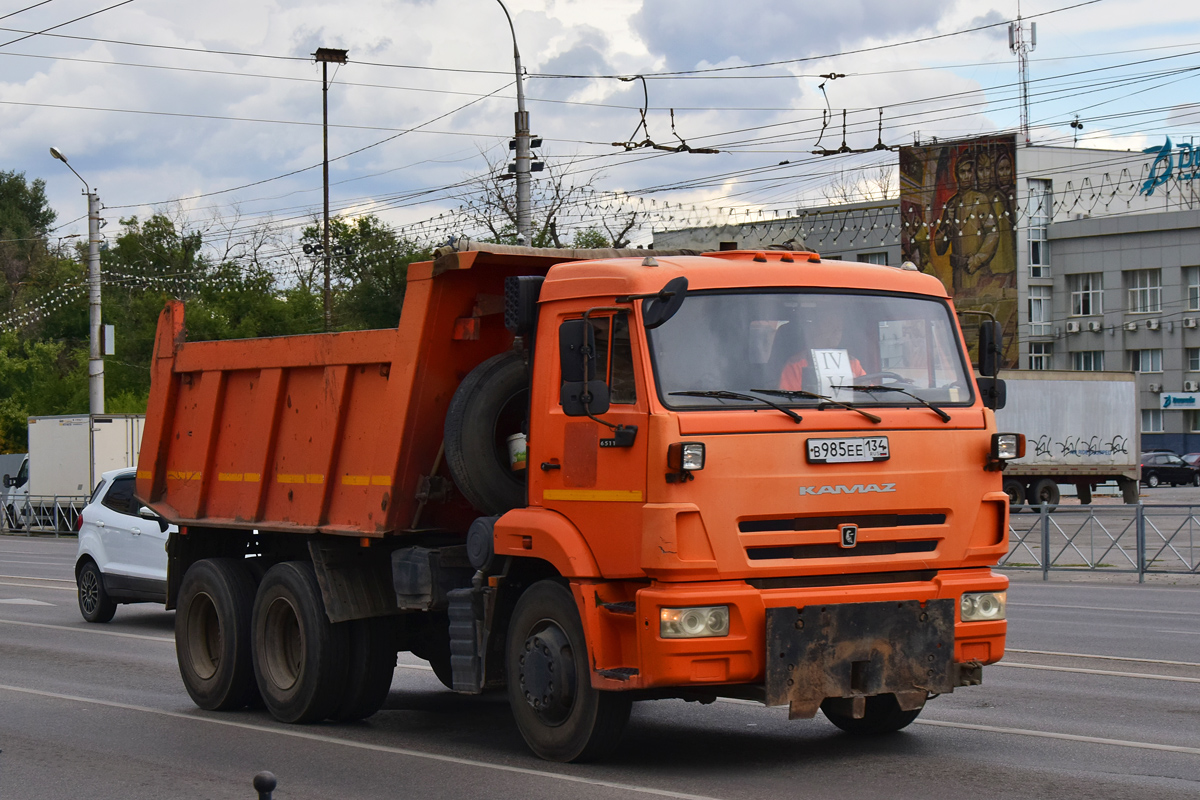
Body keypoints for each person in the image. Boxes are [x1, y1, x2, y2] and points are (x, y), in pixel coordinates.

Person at [778, 307, 865, 392]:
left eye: (840, 327)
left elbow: (868, 395)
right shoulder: (797, 364)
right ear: (815, 329)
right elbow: (791, 401)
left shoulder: (852, 363)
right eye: (830, 325)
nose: (837, 330)